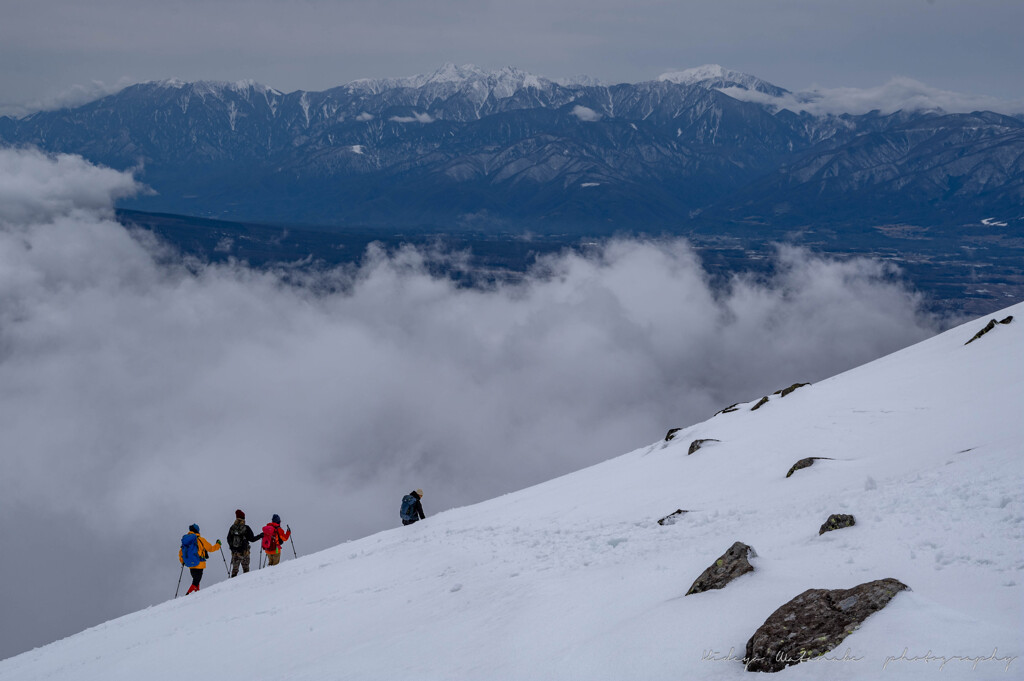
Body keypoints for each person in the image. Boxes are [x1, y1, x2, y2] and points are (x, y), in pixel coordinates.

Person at [179, 524, 221, 595]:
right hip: (199, 564)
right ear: (197, 530)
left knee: (196, 581)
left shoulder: (186, 541)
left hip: (190, 565)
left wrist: (182, 561)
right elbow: (211, 548)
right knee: (195, 582)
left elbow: (181, 552)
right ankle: (187, 596)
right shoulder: (201, 540)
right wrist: (218, 545)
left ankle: (196, 595)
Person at [226, 509, 263, 577]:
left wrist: (232, 548)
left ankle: (231, 585)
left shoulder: (232, 527)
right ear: (243, 518)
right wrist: (260, 536)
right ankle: (245, 585)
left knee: (234, 571)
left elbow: (228, 539)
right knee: (246, 571)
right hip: (245, 552)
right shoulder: (246, 528)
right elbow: (252, 539)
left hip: (235, 553)